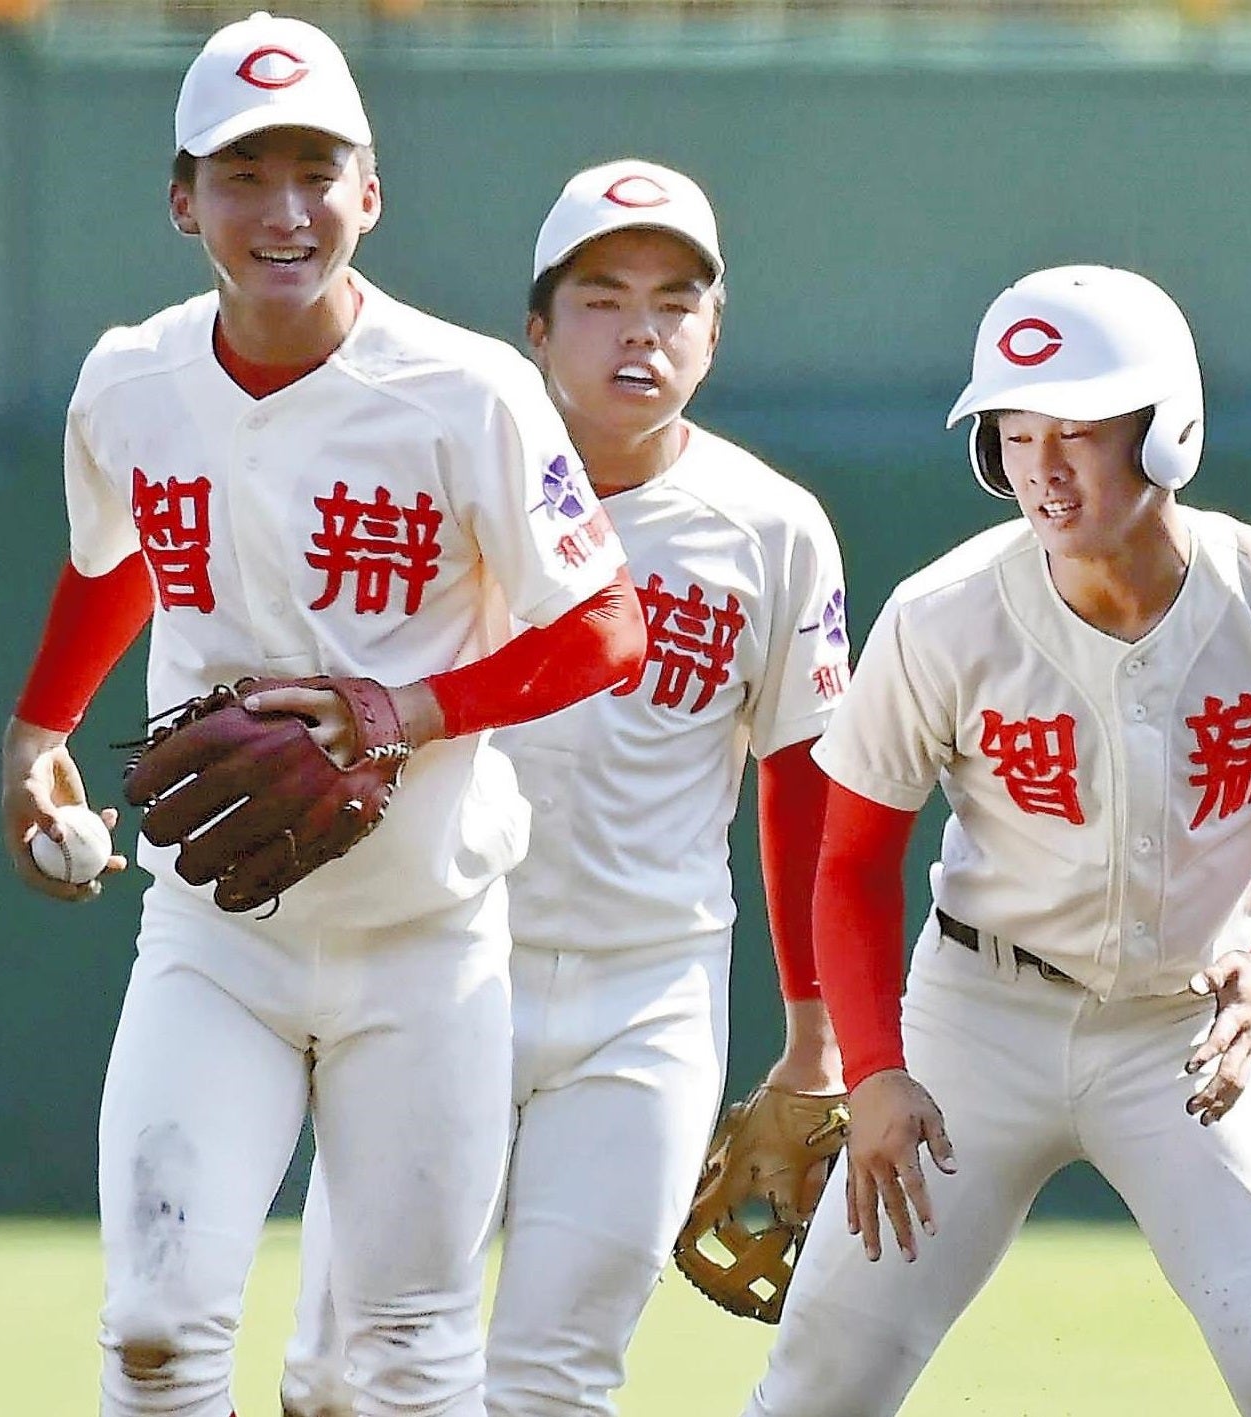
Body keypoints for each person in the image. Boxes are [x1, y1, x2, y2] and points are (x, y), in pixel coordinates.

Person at [0, 13, 648, 1414]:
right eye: (243, 174)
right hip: (215, 935)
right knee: (154, 1332)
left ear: (371, 191)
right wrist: (38, 730)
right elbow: (122, 555)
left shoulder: (467, 390)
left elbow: (608, 626)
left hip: (425, 941)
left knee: (402, 1354)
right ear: (183, 203)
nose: (283, 210)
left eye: (315, 171)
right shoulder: (130, 378)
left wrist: (408, 706)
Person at [717, 265, 1251, 1417]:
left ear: (1168, 431)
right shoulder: (943, 615)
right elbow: (852, 866)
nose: (1043, 466)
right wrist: (877, 1067)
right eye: (1014, 432)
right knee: (817, 1391)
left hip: (1187, 1034)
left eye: (1080, 430)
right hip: (975, 1025)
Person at [276, 159, 853, 1417]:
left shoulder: (771, 527)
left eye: (674, 302)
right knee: (344, 1373)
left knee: (557, 1380)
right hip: (436, 964)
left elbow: (802, 786)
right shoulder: (441, 480)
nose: (640, 331)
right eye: (601, 299)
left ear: (714, 334)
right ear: (536, 328)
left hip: (648, 994)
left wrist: (817, 1035)